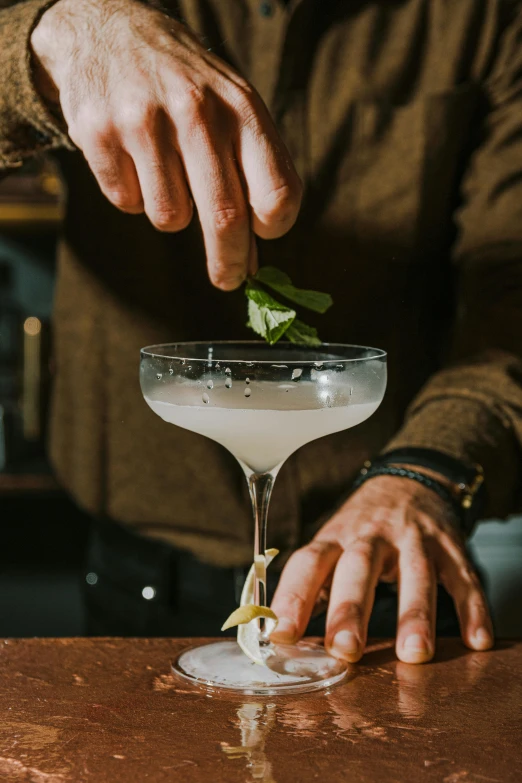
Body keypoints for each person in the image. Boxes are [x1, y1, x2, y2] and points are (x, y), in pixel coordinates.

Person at [1, 0, 521, 664]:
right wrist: (45, 46)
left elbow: (512, 293)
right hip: (140, 583)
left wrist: (425, 469)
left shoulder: (488, 17)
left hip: (387, 572)